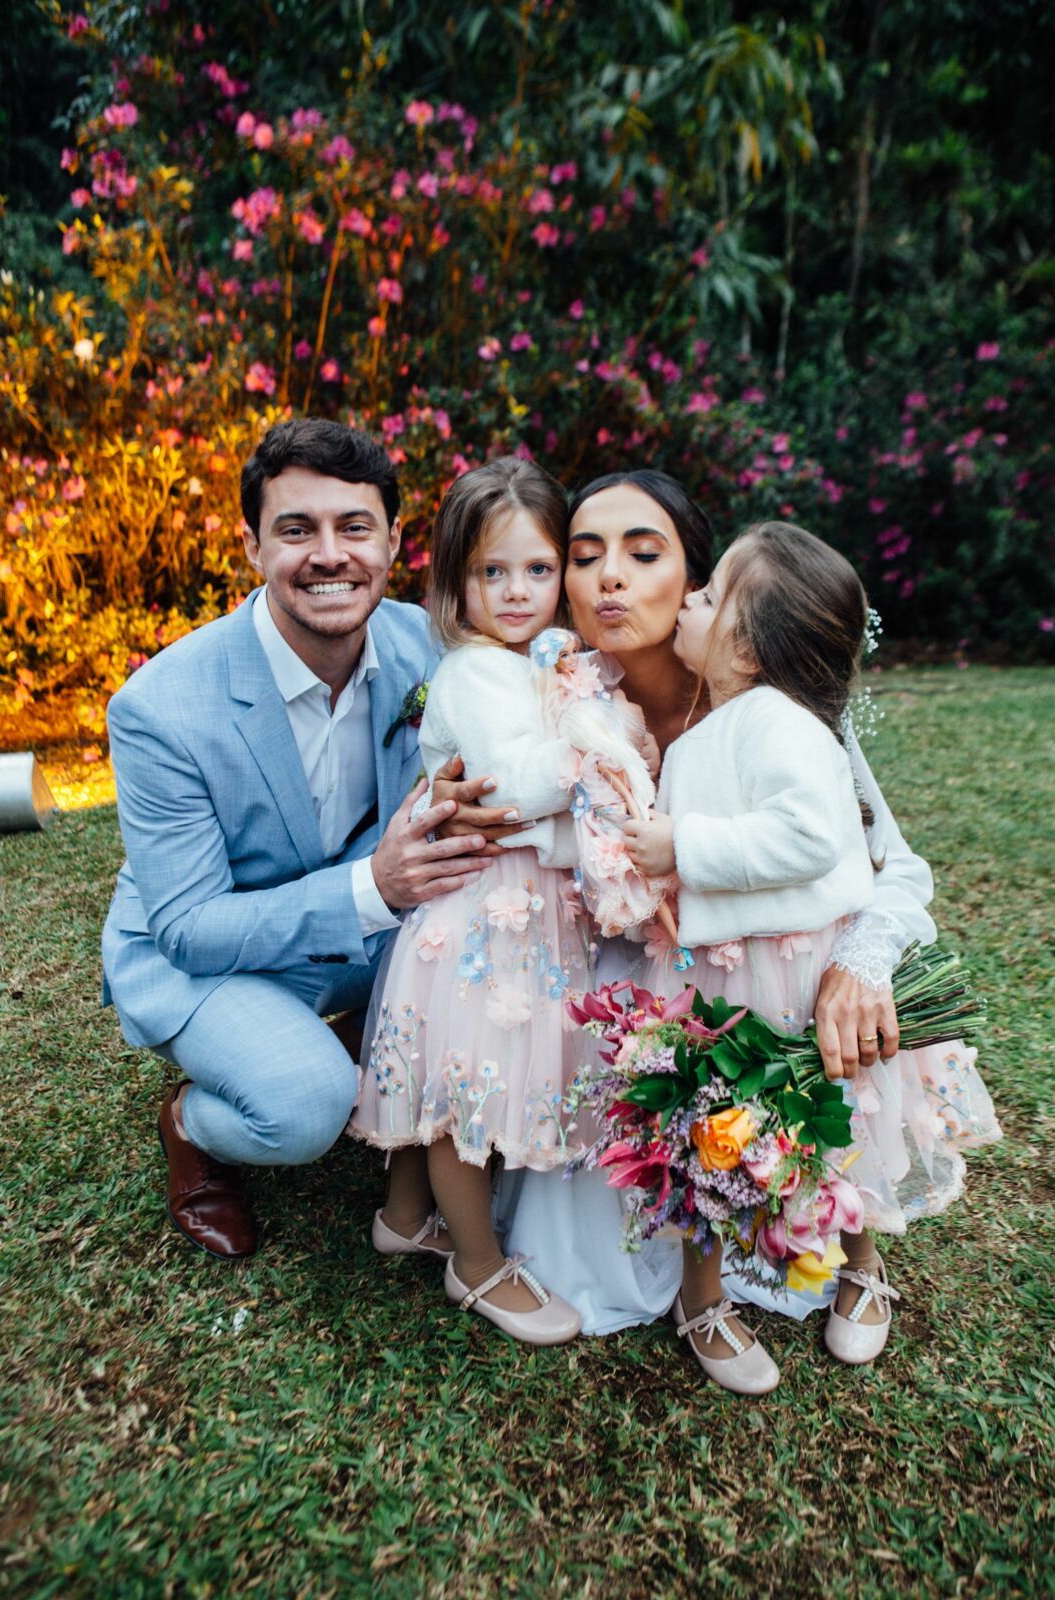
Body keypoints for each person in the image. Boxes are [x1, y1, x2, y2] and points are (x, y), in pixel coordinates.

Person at [486, 470, 947, 1334]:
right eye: (583, 558)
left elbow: (885, 863)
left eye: (642, 552)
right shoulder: (559, 705)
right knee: (650, 1154)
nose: (608, 577)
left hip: (765, 960)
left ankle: (846, 1250)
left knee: (810, 1106)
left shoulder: (777, 708)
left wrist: (859, 961)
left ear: (698, 583)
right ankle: (699, 1276)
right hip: (634, 974)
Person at [101, 419, 495, 1260]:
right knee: (307, 1105)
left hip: (363, 931)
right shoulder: (159, 708)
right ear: (250, 547)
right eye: (295, 530)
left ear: (392, 540)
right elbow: (189, 926)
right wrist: (373, 891)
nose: (328, 555)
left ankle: (360, 1038)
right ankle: (192, 1126)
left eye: (353, 527)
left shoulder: (431, 649)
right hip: (209, 952)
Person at [620, 521, 999, 1391]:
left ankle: (861, 1265)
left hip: (788, 970)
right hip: (713, 974)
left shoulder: (779, 723)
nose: (687, 601)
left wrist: (685, 845)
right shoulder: (721, 719)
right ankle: (701, 1295)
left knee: (840, 1121)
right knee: (710, 1132)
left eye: (708, 594)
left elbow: (812, 835)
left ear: (747, 649)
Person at [351, 457, 661, 1344]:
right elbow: (515, 788)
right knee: (463, 1094)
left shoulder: (530, 661)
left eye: (536, 569)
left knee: (445, 1080)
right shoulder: (474, 673)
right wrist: (592, 743)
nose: (518, 591)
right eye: (493, 572)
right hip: (481, 919)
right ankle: (477, 1266)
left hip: (507, 905)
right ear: (456, 581)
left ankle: (405, 1218)